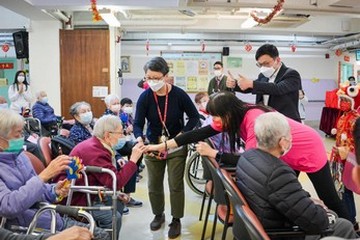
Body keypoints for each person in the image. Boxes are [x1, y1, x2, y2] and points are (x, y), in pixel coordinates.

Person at [146, 92, 351, 222]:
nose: (214, 121)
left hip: (306, 149)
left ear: (227, 113)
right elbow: (196, 134)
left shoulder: (254, 121)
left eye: (216, 116)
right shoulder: (230, 116)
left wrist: (214, 153)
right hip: (281, 151)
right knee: (286, 195)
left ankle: (349, 228)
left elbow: (253, 161)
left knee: (329, 197)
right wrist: (163, 145)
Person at [236, 112, 357, 239]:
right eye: (290, 135)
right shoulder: (278, 173)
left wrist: (306, 199)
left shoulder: (247, 157)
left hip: (262, 220)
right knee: (344, 225)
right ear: (282, 142)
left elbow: (288, 197)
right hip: (281, 231)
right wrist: (323, 212)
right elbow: (315, 221)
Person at [0, 109, 109, 240]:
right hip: (29, 227)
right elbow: (9, 206)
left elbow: (37, 190)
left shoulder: (21, 158)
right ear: (1, 141)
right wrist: (43, 176)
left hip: (50, 218)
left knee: (100, 234)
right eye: (17, 134)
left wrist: (54, 190)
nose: (22, 138)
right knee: (98, 235)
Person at [133, 56, 199, 239]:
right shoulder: (145, 97)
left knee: (175, 185)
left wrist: (182, 135)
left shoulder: (178, 94)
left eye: (156, 77)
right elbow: (137, 123)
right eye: (148, 78)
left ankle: (176, 219)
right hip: (153, 146)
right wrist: (139, 138)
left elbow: (194, 117)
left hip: (176, 147)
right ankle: (158, 214)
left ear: (166, 76)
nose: (152, 81)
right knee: (154, 184)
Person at [57, 115, 145, 238]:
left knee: (118, 201)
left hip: (89, 190)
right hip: (76, 197)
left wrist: (112, 192)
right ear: (108, 135)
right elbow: (116, 182)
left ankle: (109, 234)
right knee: (114, 218)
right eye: (120, 133)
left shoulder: (98, 145)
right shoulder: (94, 150)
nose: (122, 136)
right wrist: (133, 160)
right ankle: (105, 235)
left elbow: (104, 179)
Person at [228, 44, 302, 122]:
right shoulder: (263, 75)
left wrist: (251, 83)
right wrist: (234, 84)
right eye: (260, 65)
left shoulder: (291, 74)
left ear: (278, 60)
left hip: (286, 121)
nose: (263, 68)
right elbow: (251, 87)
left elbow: (278, 88)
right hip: (266, 120)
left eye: (266, 63)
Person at [103, 94, 143, 211]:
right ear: (108, 105)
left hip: (120, 143)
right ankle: (119, 197)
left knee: (136, 150)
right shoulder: (107, 118)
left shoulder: (122, 115)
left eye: (117, 103)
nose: (117, 106)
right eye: (114, 104)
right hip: (111, 147)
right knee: (125, 165)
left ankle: (128, 195)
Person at [329, 83, 360, 231]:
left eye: (346, 100)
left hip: (350, 160)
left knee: (347, 189)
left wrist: (348, 150)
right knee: (341, 189)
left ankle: (351, 221)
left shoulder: (355, 119)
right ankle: (348, 218)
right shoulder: (343, 116)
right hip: (339, 159)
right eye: (341, 100)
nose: (342, 103)